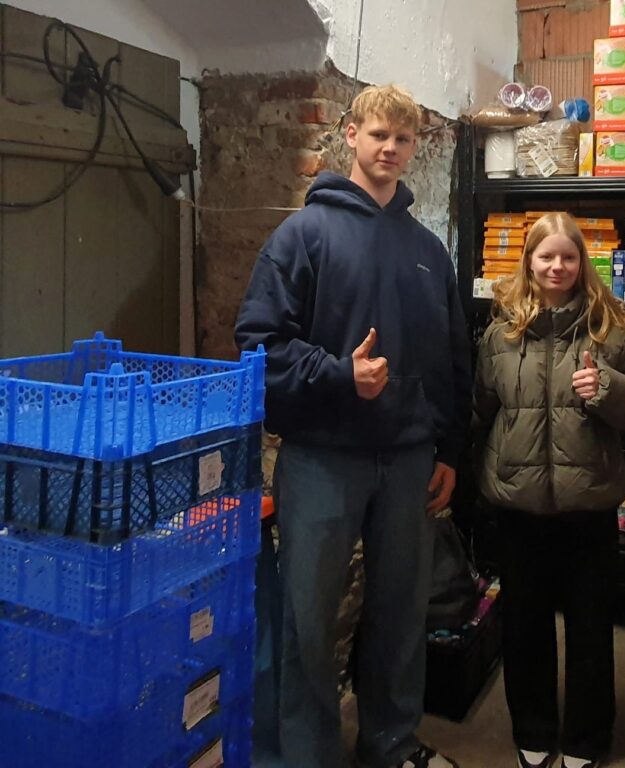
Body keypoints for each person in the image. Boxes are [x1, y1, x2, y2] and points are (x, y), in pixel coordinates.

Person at [235, 83, 470, 768]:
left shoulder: (429, 250)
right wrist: (342, 374)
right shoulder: (302, 235)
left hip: (407, 464)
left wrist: (448, 447)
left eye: (403, 138)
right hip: (320, 459)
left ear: (413, 148)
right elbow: (257, 345)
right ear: (350, 137)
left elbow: (451, 359)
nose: (390, 148)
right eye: (378, 135)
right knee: (307, 625)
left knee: (400, 621)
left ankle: (389, 747)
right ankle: (300, 757)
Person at [471, 213, 625, 768]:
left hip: (588, 504)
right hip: (519, 504)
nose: (557, 266)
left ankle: (586, 737)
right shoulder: (501, 330)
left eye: (568, 257)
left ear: (583, 262)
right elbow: (482, 406)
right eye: (546, 256)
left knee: (590, 626)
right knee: (524, 624)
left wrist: (608, 388)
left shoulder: (610, 328)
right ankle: (532, 727)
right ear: (529, 261)